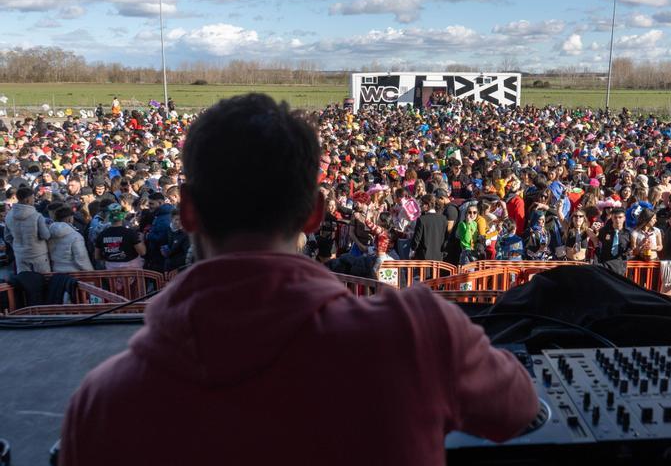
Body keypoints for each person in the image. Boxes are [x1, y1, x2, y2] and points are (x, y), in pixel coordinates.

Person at [61, 94, 538, 466]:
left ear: (186, 210)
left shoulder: (99, 402)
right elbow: (519, 407)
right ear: (315, 214)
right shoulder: (417, 333)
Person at [4, 187, 51, 273]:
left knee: (24, 282)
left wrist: (17, 246)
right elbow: (45, 235)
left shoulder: (9, 216)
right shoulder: (37, 216)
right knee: (43, 280)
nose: (34, 200)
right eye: (33, 198)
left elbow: (7, 237)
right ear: (27, 200)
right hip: (38, 254)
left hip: (20, 255)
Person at [95, 203, 146, 270]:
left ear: (109, 217)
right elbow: (142, 252)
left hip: (112, 273)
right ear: (122, 216)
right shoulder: (130, 233)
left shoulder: (102, 235)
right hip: (132, 272)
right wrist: (142, 239)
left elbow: (97, 256)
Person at [48, 206, 94, 272]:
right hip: (73, 273)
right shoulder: (75, 236)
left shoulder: (49, 233)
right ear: (70, 218)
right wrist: (90, 271)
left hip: (56, 271)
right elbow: (81, 259)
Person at [596, 207, 631, 276]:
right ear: (611, 218)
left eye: (620, 217)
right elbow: (596, 242)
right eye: (615, 217)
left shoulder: (628, 234)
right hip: (605, 266)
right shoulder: (604, 231)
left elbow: (630, 250)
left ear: (624, 218)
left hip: (620, 268)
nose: (617, 220)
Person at [409, 194, 446, 261]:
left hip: (424, 257)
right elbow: (444, 238)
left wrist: (412, 251)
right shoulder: (443, 219)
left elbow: (417, 239)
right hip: (438, 257)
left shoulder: (422, 219)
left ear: (427, 205)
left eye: (422, 204)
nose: (420, 206)